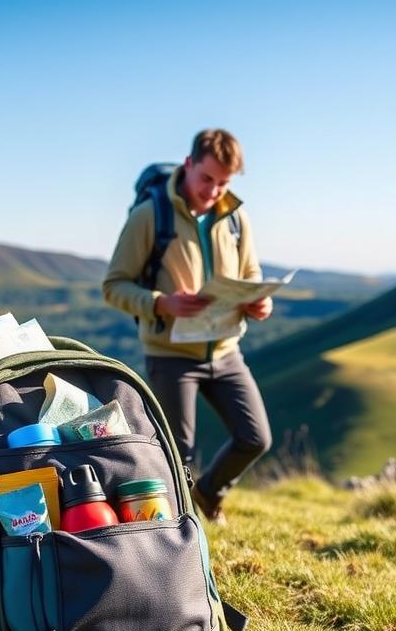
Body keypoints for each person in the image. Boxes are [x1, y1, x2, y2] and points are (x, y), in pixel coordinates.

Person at [103, 129, 273, 524]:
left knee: (255, 438)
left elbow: (251, 275)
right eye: (207, 179)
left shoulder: (236, 219)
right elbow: (114, 286)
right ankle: (178, 532)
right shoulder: (151, 215)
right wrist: (163, 303)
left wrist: (260, 303)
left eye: (224, 183)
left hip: (227, 352)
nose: (213, 191)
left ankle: (209, 494)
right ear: (189, 164)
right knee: (179, 454)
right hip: (171, 355)